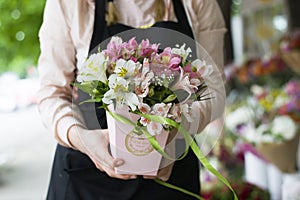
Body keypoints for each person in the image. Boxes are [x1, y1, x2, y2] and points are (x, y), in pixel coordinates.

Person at [37, 0, 226, 199]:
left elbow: (214, 90)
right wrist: (81, 139)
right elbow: (53, 93)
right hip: (86, 176)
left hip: (169, 177)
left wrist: (177, 137)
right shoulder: (69, 4)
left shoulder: (196, 3)